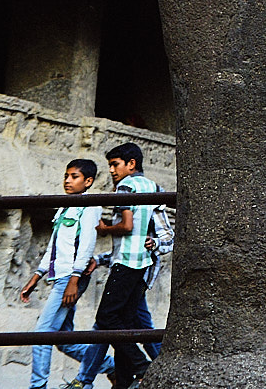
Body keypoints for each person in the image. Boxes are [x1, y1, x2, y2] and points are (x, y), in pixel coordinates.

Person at [78, 143, 162, 389]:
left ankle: (142, 365)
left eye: (115, 165)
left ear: (131, 163)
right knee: (124, 322)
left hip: (125, 260)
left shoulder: (125, 186)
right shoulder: (153, 187)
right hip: (143, 263)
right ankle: (125, 382)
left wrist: (105, 229)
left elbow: (125, 226)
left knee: (106, 317)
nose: (112, 171)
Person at [20, 158, 99, 389]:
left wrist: (74, 280)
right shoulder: (65, 205)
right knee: (65, 342)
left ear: (88, 181)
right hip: (61, 277)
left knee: (42, 334)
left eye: (74, 177)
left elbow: (86, 245)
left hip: (70, 279)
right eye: (66, 176)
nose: (67, 181)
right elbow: (54, 247)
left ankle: (38, 386)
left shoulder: (90, 206)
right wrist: (35, 277)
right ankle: (113, 366)